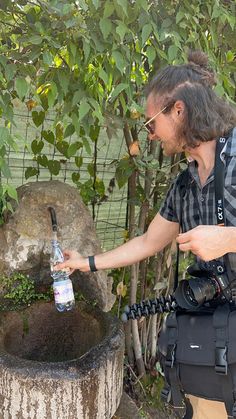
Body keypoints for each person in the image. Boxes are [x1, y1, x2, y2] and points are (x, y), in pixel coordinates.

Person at [55, 50, 236, 419]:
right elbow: (148, 242)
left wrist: (229, 239)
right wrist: (84, 264)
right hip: (219, 347)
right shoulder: (184, 184)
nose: (149, 135)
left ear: (179, 111)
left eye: (151, 123)